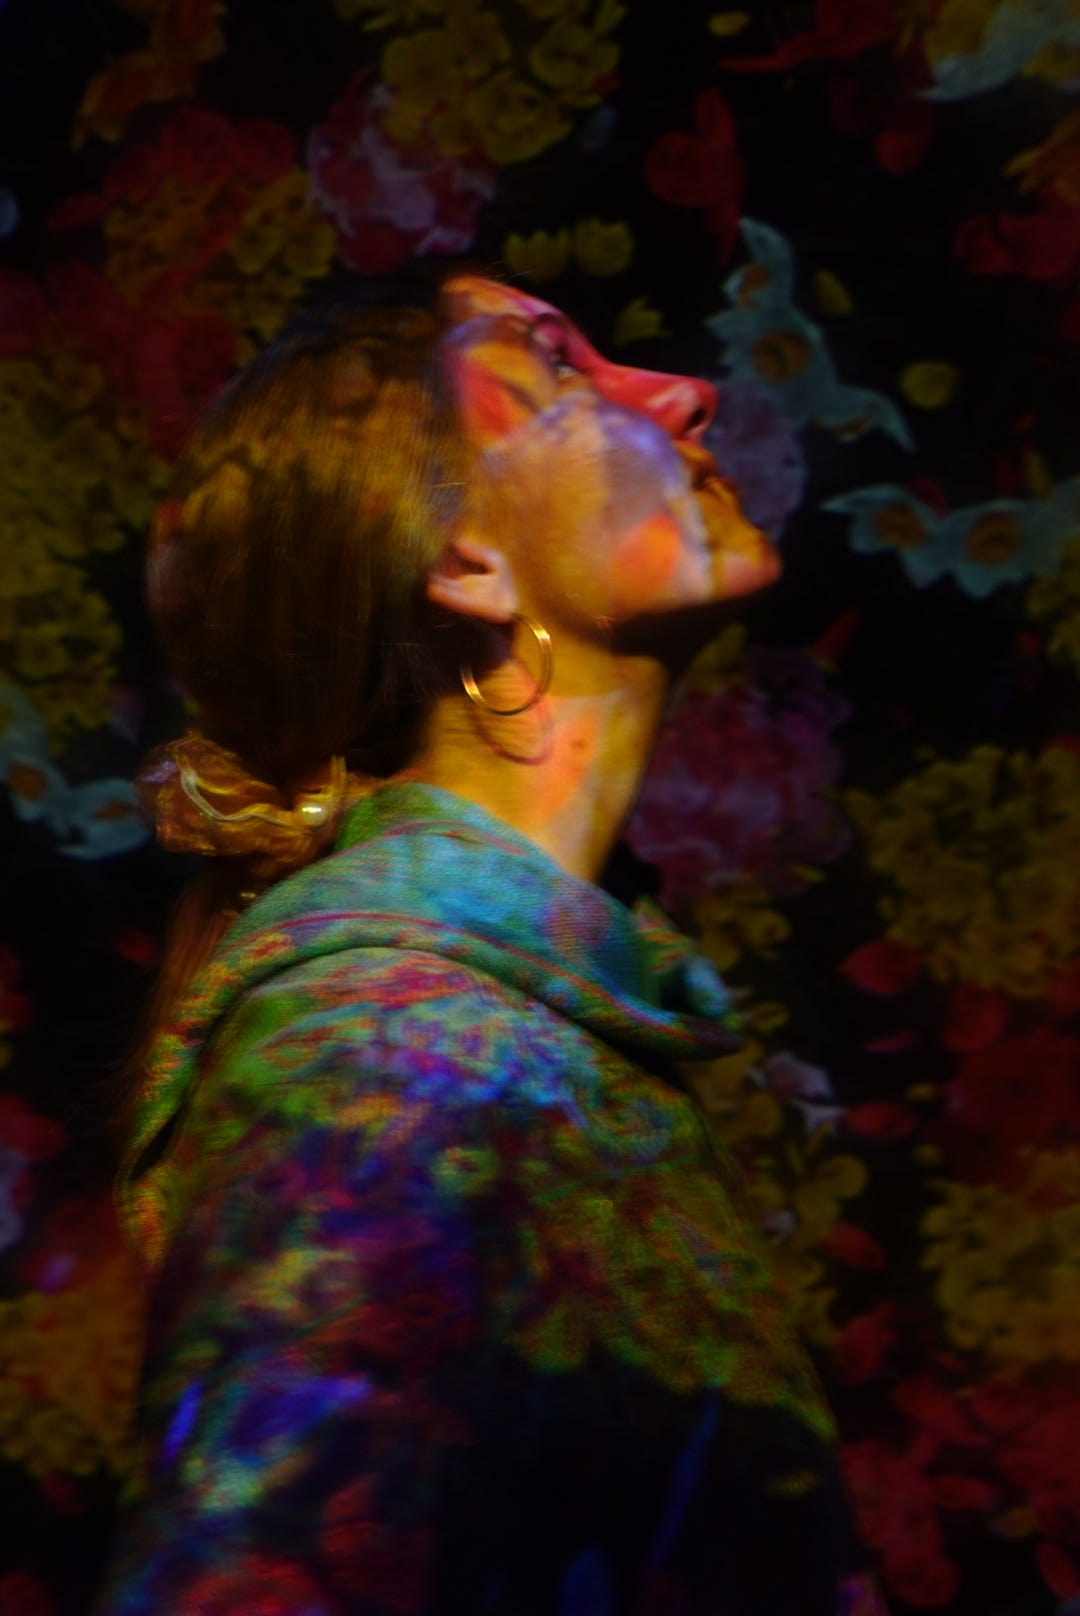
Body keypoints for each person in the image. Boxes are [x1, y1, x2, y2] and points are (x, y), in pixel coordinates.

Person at [97, 274, 884, 1615]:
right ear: (462, 555)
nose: (685, 394)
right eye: (559, 366)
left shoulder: (544, 1020)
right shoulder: (385, 1050)